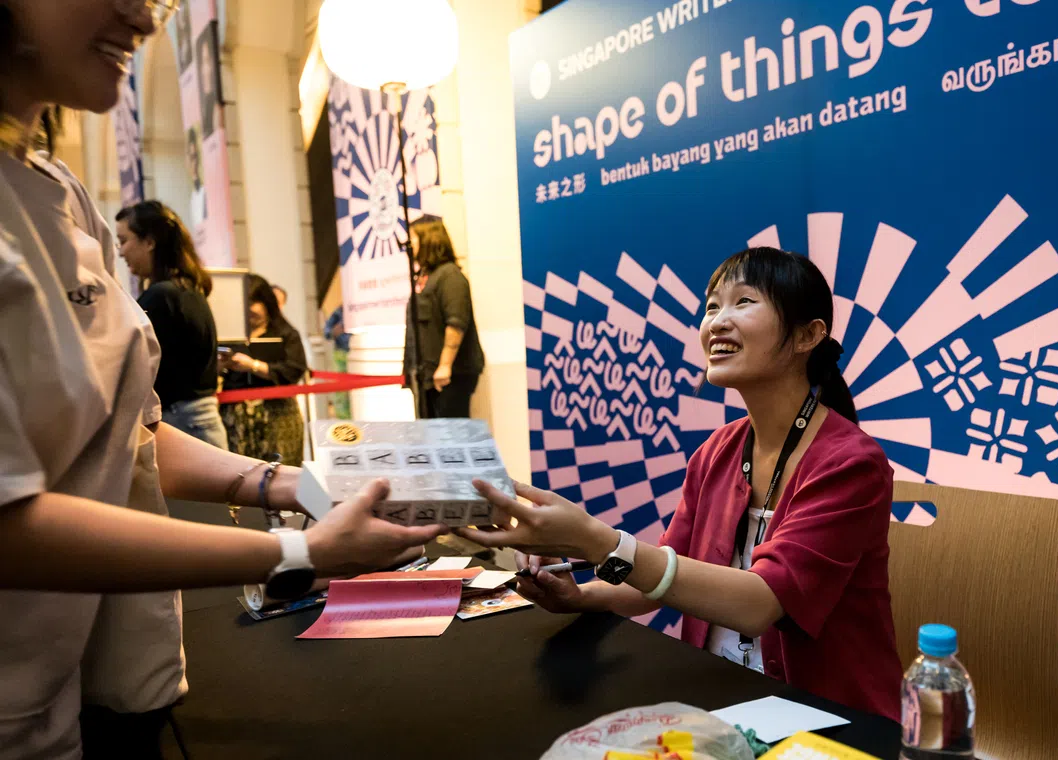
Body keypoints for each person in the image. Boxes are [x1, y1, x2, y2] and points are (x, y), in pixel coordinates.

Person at [0, 2, 443, 758]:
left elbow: (128, 432)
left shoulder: (62, 193)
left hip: (93, 682)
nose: (141, 17)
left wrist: (296, 486)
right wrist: (299, 553)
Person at [457, 247, 903, 720]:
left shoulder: (851, 463)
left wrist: (594, 540)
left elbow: (760, 603)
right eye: (712, 306)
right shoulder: (716, 453)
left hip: (830, 720)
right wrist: (582, 596)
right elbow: (661, 578)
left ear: (808, 335)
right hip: (722, 701)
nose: (717, 322)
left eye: (744, 302)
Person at [116, 200, 227, 449]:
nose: (120, 252)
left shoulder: (162, 296)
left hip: (183, 423)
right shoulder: (185, 289)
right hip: (195, 421)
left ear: (149, 242)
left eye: (124, 241)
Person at [220, 274, 308, 465]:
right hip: (236, 419)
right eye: (244, 303)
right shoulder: (228, 332)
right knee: (240, 472)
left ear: (267, 303)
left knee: (282, 473)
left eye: (253, 303)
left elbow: (295, 369)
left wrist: (254, 366)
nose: (248, 310)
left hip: (278, 416)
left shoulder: (286, 333)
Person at [402, 216, 484, 418]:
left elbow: (456, 323)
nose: (408, 244)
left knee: (450, 442)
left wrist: (445, 365)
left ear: (429, 239)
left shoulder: (449, 276)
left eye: (413, 238)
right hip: (426, 378)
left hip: (449, 378)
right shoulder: (424, 277)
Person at [186, 126, 206, 229]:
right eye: (191, 157)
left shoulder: (205, 191)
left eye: (196, 157)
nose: (194, 163)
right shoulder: (193, 195)